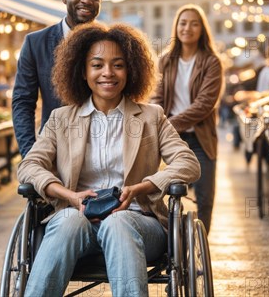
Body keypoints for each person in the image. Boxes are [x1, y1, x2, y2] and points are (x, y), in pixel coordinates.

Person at [17, 23, 200, 297]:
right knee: (68, 220)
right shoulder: (61, 119)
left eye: (118, 65)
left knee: (119, 221)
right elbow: (29, 167)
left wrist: (142, 188)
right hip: (78, 221)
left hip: (139, 222)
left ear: (131, 70)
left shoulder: (151, 116)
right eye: (97, 65)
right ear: (82, 71)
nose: (107, 73)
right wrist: (70, 195)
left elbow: (188, 163)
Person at [12, 0, 102, 158]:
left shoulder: (110, 43)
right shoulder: (35, 43)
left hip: (102, 149)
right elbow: (23, 102)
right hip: (55, 151)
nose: (87, 0)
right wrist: (31, 155)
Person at [151, 4, 223, 233]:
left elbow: (204, 105)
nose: (187, 28)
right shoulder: (165, 61)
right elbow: (156, 97)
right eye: (183, 23)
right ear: (176, 27)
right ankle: (174, 243)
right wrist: (156, 119)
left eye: (194, 23)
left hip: (201, 141)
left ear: (202, 29)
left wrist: (168, 123)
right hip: (171, 142)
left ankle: (199, 250)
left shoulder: (211, 62)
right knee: (166, 194)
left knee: (205, 199)